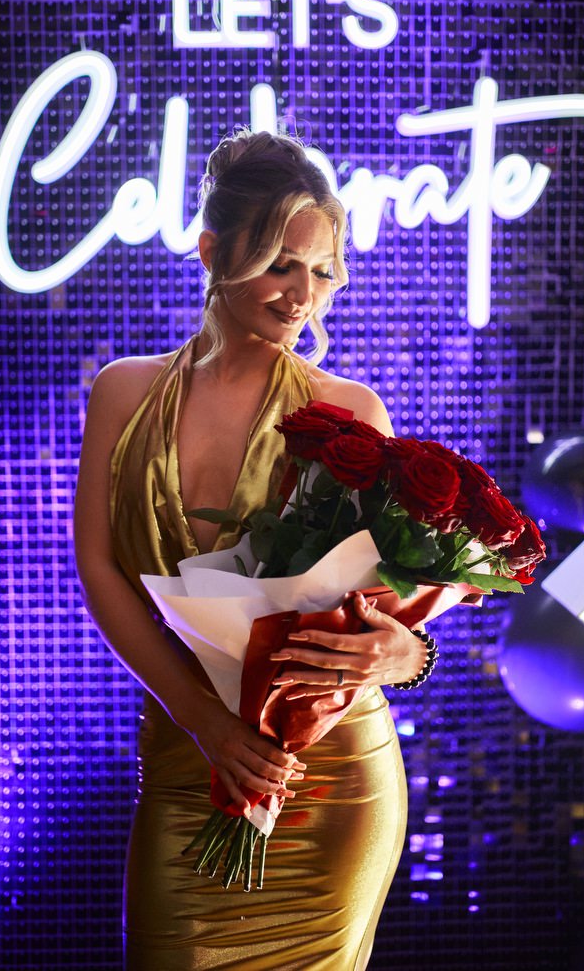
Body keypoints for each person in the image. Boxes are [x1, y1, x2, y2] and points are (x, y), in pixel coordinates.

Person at [73, 130, 432, 970]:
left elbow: (389, 606)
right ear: (212, 252)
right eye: (281, 264)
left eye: (323, 271)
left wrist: (407, 655)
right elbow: (99, 568)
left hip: (324, 778)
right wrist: (200, 722)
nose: (303, 294)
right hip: (185, 757)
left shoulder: (350, 413)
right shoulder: (124, 391)